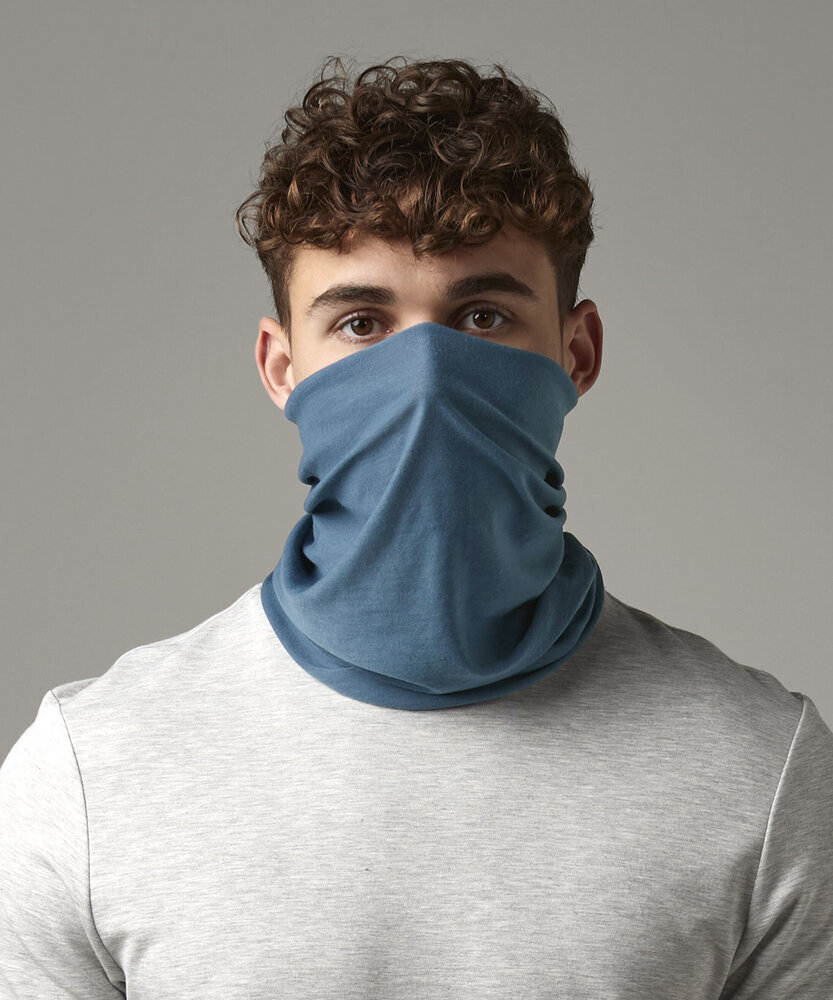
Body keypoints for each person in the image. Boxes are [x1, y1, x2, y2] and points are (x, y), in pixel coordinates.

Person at [1, 54, 831, 999]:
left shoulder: (760, 772)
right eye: (361, 324)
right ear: (280, 368)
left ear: (577, 351)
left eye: (481, 317)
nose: (426, 377)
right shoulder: (91, 772)